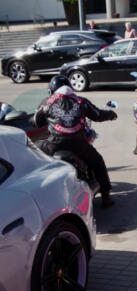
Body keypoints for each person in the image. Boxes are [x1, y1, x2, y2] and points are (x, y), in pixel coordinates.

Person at [31, 75, 118, 207]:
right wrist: (111, 114)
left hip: (54, 144)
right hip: (79, 144)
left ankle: (34, 189)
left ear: (52, 90)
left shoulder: (46, 102)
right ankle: (106, 197)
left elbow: (35, 121)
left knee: (33, 150)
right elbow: (98, 115)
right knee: (98, 162)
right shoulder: (81, 101)